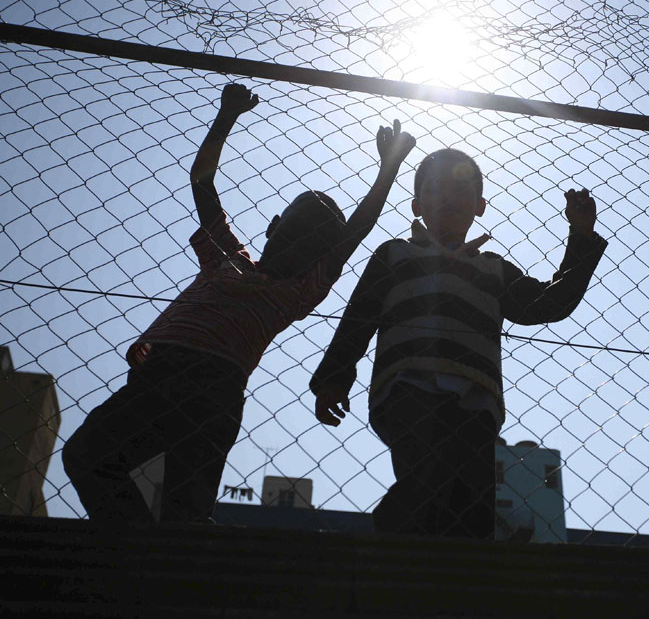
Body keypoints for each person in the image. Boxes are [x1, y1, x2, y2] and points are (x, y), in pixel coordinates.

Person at [63, 83, 416, 524]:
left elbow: (358, 229)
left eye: (319, 237)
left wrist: (388, 170)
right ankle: (140, 546)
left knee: (177, 508)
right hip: (161, 375)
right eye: (299, 225)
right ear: (272, 226)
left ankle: (152, 549)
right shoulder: (226, 256)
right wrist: (226, 117)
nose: (305, 237)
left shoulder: (299, 290)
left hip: (216, 388)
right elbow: (201, 182)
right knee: (89, 457)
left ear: (324, 255)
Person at [310, 148, 607, 539]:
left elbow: (550, 303)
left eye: (461, 189)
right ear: (417, 205)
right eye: (436, 189)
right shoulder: (394, 254)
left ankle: (455, 569)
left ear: (480, 206)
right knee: (428, 471)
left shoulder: (493, 269)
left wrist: (580, 237)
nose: (448, 197)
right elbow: (358, 318)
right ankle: (386, 546)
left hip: (476, 399)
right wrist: (334, 377)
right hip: (407, 387)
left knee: (473, 502)